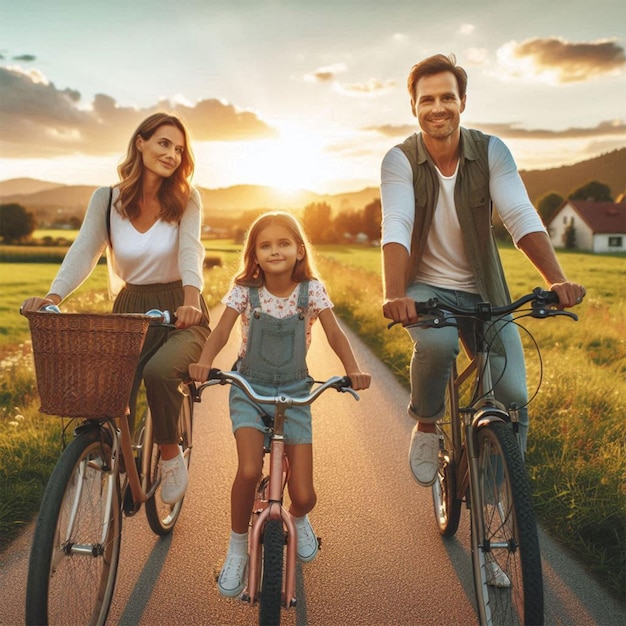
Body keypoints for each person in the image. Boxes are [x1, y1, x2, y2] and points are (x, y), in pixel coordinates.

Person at [381, 53, 586, 488]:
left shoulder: (492, 150)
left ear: (463, 102)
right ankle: (427, 424)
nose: (438, 107)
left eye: (447, 97)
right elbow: (396, 222)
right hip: (425, 288)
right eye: (427, 99)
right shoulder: (399, 160)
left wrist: (557, 279)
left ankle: (496, 497)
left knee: (511, 395)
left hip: (485, 291)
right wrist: (395, 292)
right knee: (437, 346)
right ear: (413, 106)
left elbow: (519, 214)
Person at [21, 112, 211, 505]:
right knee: (106, 387)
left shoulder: (186, 197)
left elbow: (191, 248)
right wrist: (54, 297)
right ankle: (114, 451)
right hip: (130, 307)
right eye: (163, 143)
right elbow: (85, 250)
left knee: (160, 373)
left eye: (179, 149)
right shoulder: (107, 198)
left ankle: (171, 455)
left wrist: (191, 300)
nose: (172, 154)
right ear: (139, 142)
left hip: (181, 306)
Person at [189, 211, 371, 597]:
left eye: (284, 243)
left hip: (295, 394)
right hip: (249, 390)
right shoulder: (244, 292)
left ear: (299, 250)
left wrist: (352, 368)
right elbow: (221, 331)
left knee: (304, 494)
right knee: (250, 468)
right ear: (254, 254)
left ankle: (298, 518)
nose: (275, 250)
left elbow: (335, 334)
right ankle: (238, 546)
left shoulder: (312, 291)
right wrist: (205, 363)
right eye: (266, 245)